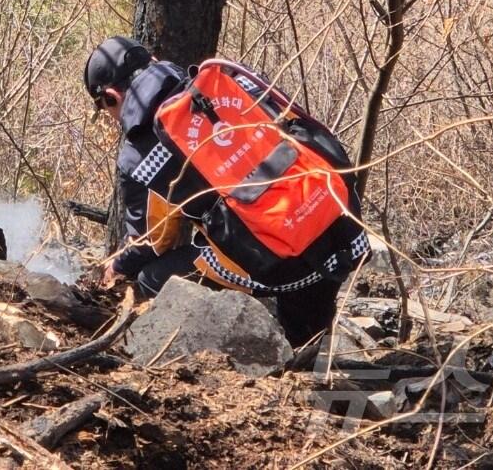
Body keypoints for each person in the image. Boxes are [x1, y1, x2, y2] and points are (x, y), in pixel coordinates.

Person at [84, 35, 366, 348]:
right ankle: (307, 348)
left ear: (111, 96)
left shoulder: (139, 154)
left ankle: (232, 358)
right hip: (341, 228)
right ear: (152, 61)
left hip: (281, 266)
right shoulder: (231, 78)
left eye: (104, 108)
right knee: (305, 336)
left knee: (153, 277)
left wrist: (117, 267)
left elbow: (153, 240)